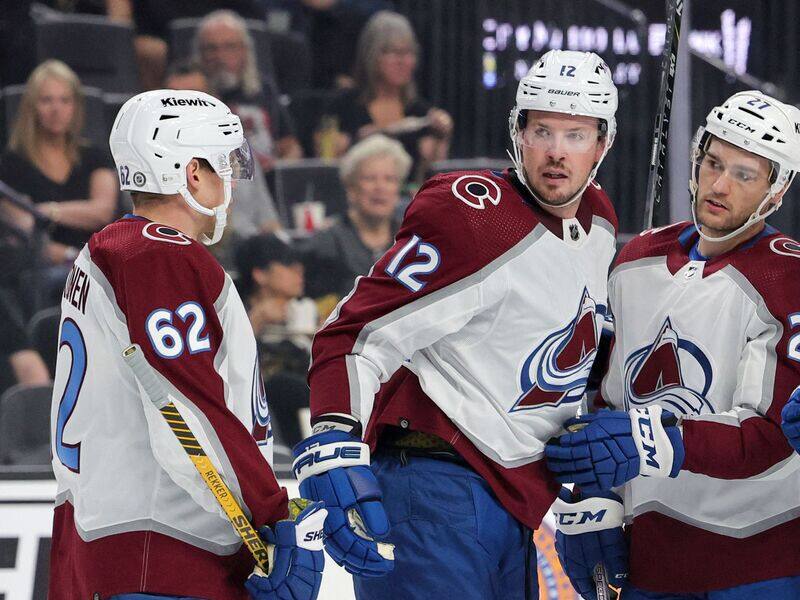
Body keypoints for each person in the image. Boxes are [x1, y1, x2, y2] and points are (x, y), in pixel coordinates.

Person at [291, 49, 620, 600]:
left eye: (576, 134)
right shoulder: (473, 214)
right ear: (517, 132)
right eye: (543, 130)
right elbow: (354, 333)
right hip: (434, 486)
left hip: (516, 499)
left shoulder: (600, 224)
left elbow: (571, 355)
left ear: (602, 145)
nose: (557, 153)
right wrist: (333, 434)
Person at [47, 89, 325, 600]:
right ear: (191, 172)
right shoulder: (160, 257)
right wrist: (270, 515)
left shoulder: (109, 251)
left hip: (111, 543)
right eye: (226, 165)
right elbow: (185, 413)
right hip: (167, 551)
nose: (235, 184)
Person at [546, 91, 800, 599]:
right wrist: (591, 501)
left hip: (756, 566)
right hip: (650, 560)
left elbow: (772, 435)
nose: (720, 185)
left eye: (745, 174)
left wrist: (648, 440)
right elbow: (602, 402)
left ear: (778, 190)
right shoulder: (637, 258)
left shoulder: (789, 277)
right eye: (713, 163)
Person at [0, 59, 117, 266]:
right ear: (32, 107)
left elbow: (102, 211)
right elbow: (24, 228)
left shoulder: (94, 155)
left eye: (65, 100)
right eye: (46, 100)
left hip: (101, 262)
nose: (56, 109)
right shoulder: (12, 162)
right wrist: (72, 256)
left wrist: (48, 211)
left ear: (75, 106)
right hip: (44, 270)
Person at [316, 11, 453, 182]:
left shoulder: (421, 113)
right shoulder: (341, 105)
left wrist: (442, 136)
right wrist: (354, 141)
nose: (403, 61)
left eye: (409, 53)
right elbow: (323, 166)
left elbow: (433, 176)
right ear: (371, 56)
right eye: (394, 52)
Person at [300, 134, 409, 303]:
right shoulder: (327, 242)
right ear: (351, 189)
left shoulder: (411, 241)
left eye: (389, 179)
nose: (380, 187)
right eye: (370, 178)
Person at [194, 10, 303, 172]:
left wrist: (280, 169)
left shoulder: (263, 89)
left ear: (244, 51)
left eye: (229, 47)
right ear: (200, 54)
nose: (220, 56)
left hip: (265, 180)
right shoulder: (191, 94)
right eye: (211, 48)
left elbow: (290, 146)